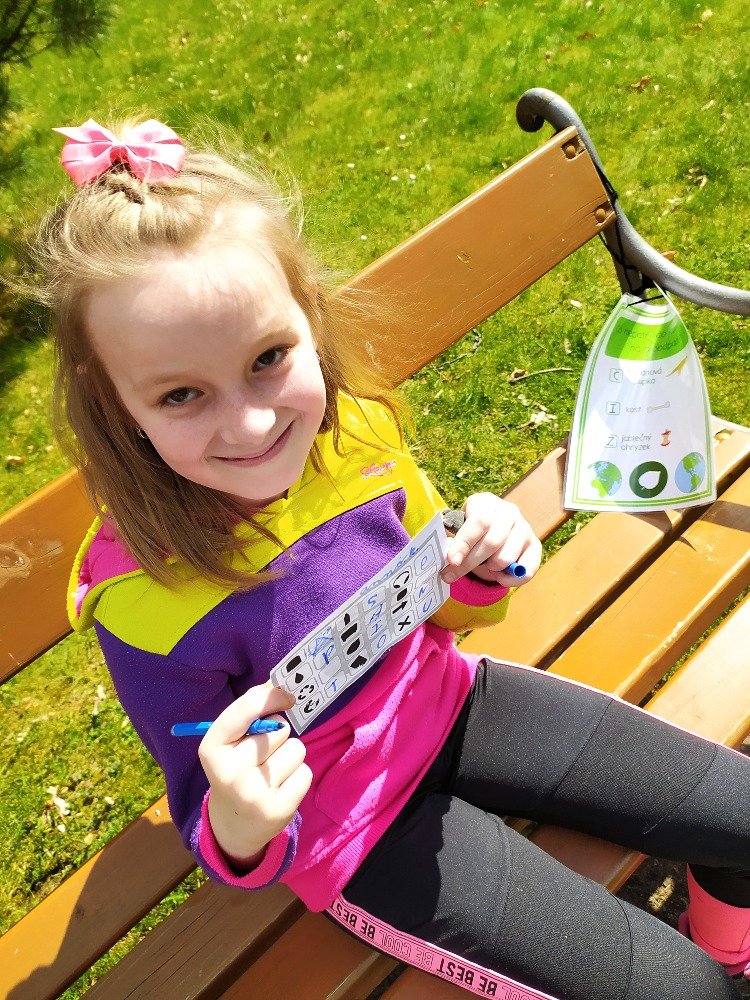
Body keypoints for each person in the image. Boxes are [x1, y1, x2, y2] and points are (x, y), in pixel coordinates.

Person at [34, 116, 750, 1000]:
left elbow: (438, 601)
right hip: (355, 827)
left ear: (309, 317)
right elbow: (210, 817)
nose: (251, 423)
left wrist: (479, 564)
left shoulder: (358, 439)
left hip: (451, 701)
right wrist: (242, 823)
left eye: (268, 358)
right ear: (116, 405)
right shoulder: (143, 598)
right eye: (181, 395)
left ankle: (727, 949)